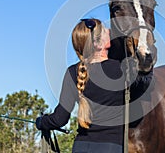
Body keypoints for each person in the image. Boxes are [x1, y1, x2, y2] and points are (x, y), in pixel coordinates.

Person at [36, 18, 153, 153]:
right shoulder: (121, 69)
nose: (109, 31)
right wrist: (145, 60)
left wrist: (41, 122)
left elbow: (59, 119)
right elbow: (145, 85)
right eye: (104, 31)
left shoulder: (73, 72)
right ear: (97, 44)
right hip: (111, 148)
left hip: (80, 147)